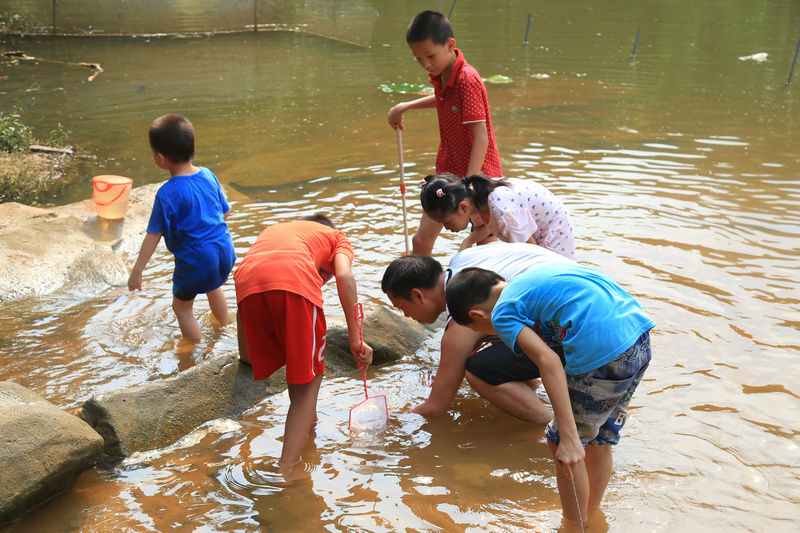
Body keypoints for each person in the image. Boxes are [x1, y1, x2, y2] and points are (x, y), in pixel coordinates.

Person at [445, 264, 654, 525]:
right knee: (599, 438)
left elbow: (549, 361)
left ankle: (572, 525)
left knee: (562, 443)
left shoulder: (501, 312)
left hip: (600, 352)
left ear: (476, 315)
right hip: (637, 338)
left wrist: (567, 436)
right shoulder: (528, 281)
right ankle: (592, 516)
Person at [233, 214, 374, 481]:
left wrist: (247, 355)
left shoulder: (277, 230)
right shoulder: (337, 237)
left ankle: (309, 426)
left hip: (246, 285)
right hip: (294, 283)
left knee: (297, 366)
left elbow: (256, 273)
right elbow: (344, 276)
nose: (325, 277)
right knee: (310, 378)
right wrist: (355, 337)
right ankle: (286, 470)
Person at [381, 241, 572, 423]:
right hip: (586, 294)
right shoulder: (464, 259)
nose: (406, 315)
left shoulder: (461, 319)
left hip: (574, 330)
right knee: (496, 343)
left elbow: (436, 408)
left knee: (478, 371)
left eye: (401, 307)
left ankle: (548, 426)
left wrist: (390, 418)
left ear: (417, 295)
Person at [387, 10, 503, 256]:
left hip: (475, 179)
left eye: (430, 55)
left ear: (451, 45)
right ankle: (421, 290)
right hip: (448, 174)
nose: (426, 64)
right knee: (421, 241)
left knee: (485, 244)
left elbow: (481, 138)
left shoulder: (466, 80)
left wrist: (467, 184)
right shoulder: (442, 75)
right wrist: (406, 106)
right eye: (418, 58)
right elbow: (444, 100)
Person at [128, 114, 235, 343]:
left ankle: (194, 352)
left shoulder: (167, 193)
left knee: (182, 308)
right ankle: (225, 328)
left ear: (160, 158)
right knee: (214, 286)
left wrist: (137, 271)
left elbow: (153, 234)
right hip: (224, 250)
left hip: (196, 260)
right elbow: (224, 212)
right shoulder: (208, 175)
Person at [420, 172, 576, 259]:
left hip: (553, 229)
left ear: (463, 207)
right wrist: (468, 241)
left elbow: (531, 252)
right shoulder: (473, 199)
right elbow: (486, 227)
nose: (446, 228)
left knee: (552, 275)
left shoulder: (502, 210)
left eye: (445, 222)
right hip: (532, 230)